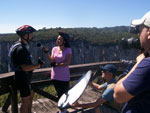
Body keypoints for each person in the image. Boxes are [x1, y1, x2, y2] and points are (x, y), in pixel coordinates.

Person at [114, 11, 150, 113]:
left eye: (139, 30)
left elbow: (118, 95)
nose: (138, 34)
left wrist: (139, 63)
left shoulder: (147, 65)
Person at [8, 25, 43, 113]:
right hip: (23, 78)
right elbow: (24, 67)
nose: (31, 35)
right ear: (24, 35)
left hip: (22, 77)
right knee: (25, 102)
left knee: (28, 98)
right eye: (30, 34)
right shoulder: (21, 49)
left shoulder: (17, 45)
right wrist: (37, 66)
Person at [43, 32, 72, 100]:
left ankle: (63, 110)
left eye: (60, 39)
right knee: (59, 94)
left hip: (64, 77)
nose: (57, 41)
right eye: (57, 39)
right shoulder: (54, 49)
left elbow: (67, 63)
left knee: (64, 95)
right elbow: (52, 61)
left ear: (64, 41)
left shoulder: (68, 50)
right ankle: (62, 110)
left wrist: (56, 64)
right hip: (55, 76)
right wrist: (47, 53)